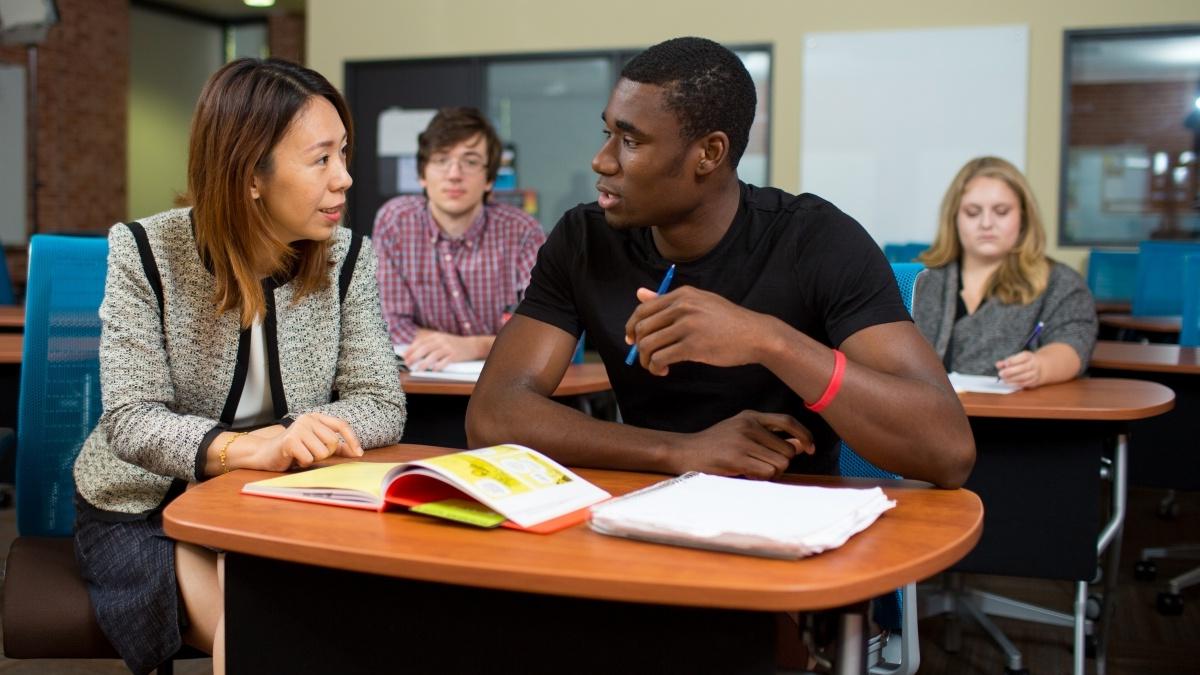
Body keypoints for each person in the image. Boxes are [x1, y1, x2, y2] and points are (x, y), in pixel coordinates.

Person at [467, 37, 974, 489]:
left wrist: (769, 341)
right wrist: (678, 451)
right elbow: (493, 415)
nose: (602, 160)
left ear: (708, 153)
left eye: (631, 140)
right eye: (607, 133)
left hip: (790, 531)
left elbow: (947, 452)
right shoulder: (583, 238)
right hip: (641, 510)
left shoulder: (815, 239)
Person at [71, 58, 406, 675]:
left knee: (356, 620)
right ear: (251, 171)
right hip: (145, 505)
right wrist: (247, 449)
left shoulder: (348, 256)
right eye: (322, 159)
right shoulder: (146, 252)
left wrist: (304, 436)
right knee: (256, 633)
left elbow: (380, 401)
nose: (346, 179)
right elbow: (129, 419)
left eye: (344, 154)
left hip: (279, 499)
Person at [373, 107, 547, 371]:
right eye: (441, 160)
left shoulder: (522, 231)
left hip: (505, 385)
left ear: (489, 179)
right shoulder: (395, 222)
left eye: (471, 161)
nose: (454, 173)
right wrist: (445, 347)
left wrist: (474, 346)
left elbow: (542, 329)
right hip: (425, 385)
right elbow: (390, 324)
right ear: (422, 174)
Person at [913, 156, 1098, 389]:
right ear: (954, 218)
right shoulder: (920, 278)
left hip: (1013, 418)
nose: (986, 223)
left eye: (1001, 211)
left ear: (1023, 217)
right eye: (972, 212)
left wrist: (1040, 366)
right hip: (923, 414)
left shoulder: (1061, 283)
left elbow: (1074, 342)